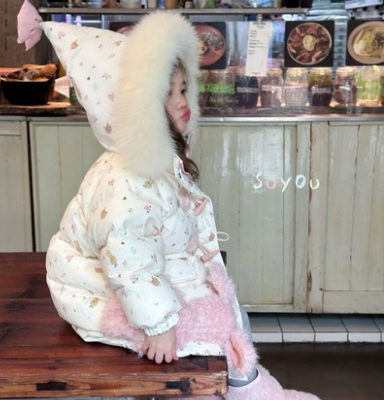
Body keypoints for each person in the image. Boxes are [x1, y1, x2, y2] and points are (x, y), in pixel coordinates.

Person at [17, 2, 320, 399]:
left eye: (183, 89)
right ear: (132, 109)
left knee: (230, 313)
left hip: (138, 279)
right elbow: (128, 257)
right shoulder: (127, 180)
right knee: (215, 332)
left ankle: (251, 387)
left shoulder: (153, 163)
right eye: (167, 94)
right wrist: (159, 325)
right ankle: (250, 391)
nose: (182, 102)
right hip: (98, 294)